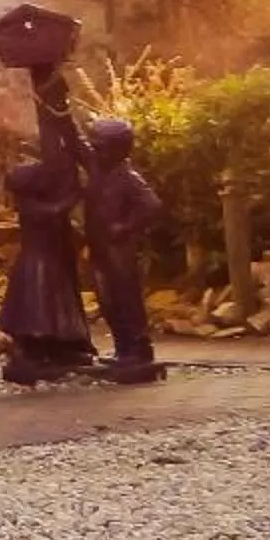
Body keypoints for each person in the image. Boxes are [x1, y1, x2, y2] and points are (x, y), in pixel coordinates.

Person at [0, 65, 95, 384]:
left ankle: (56, 346)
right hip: (39, 264)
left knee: (49, 306)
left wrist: (54, 108)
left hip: (46, 261)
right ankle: (35, 349)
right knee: (37, 309)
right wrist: (74, 194)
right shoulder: (31, 207)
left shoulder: (31, 199)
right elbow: (54, 210)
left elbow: (56, 168)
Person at [82, 116, 165, 382]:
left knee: (125, 299)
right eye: (96, 148)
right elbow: (74, 143)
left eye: (102, 148)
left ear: (119, 149)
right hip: (99, 245)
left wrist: (126, 226)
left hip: (119, 250)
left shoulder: (128, 177)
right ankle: (123, 348)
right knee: (107, 300)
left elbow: (152, 205)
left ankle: (138, 349)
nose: (97, 153)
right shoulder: (97, 168)